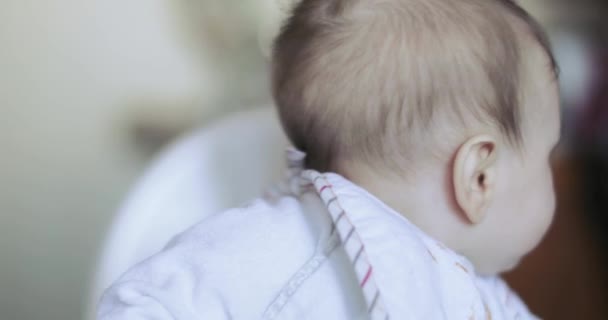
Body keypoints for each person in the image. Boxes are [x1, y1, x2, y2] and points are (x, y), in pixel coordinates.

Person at [98, 0, 561, 318]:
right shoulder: (290, 241)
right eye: (547, 154)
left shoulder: (483, 299)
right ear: (479, 177)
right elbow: (142, 303)